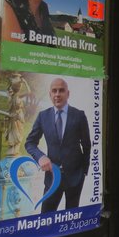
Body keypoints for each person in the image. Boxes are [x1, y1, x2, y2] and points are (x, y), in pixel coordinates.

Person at [25, 78, 91, 212]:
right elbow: (30, 143)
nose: (57, 94)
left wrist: (83, 171)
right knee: (46, 218)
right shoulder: (43, 117)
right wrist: (40, 157)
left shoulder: (79, 116)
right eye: (54, 91)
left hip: (75, 177)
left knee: (72, 218)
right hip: (52, 177)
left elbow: (87, 145)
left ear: (68, 93)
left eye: (61, 90)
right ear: (50, 94)